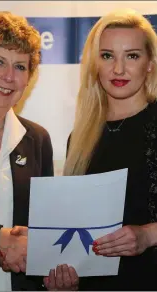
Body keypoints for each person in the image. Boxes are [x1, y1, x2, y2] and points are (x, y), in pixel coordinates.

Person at [0, 11, 79, 291]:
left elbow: (46, 227)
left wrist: (56, 272)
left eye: (20, 66)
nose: (8, 76)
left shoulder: (37, 139)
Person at [63, 8, 157, 291]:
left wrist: (149, 235)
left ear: (150, 63)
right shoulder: (78, 139)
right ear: (95, 63)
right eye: (107, 56)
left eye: (132, 55)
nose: (118, 69)